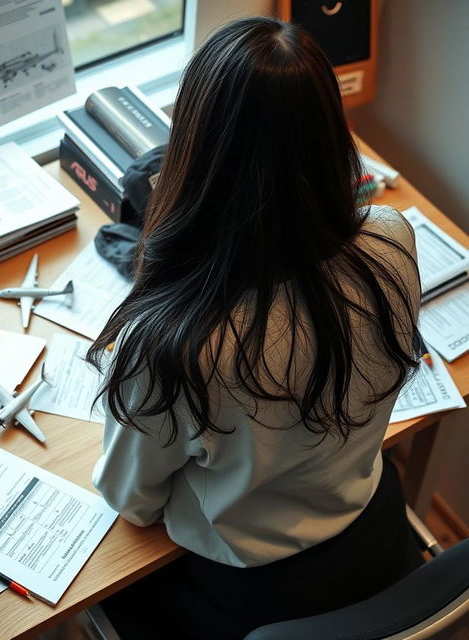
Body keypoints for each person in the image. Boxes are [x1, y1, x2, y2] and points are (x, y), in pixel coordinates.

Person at [86, 16, 423, 640]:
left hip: (247, 594)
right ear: (331, 135)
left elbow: (132, 504)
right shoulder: (393, 239)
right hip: (374, 537)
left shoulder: (176, 342)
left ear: (193, 153)